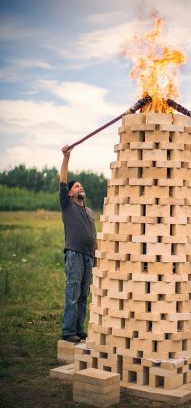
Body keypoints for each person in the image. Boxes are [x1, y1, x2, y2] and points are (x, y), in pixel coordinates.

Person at [59, 145, 96, 343]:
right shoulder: (67, 206)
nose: (80, 187)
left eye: (81, 186)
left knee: (83, 294)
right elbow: (63, 181)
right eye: (76, 186)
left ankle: (79, 329)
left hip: (88, 256)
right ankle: (67, 331)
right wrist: (66, 157)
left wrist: (95, 256)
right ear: (69, 193)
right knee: (72, 294)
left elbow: (93, 235)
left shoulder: (89, 212)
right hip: (74, 254)